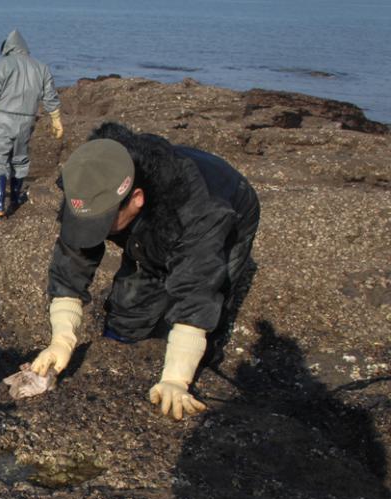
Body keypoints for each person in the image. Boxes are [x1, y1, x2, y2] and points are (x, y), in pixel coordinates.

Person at [30, 122, 260, 420]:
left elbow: (197, 289)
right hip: (149, 213)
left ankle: (191, 366)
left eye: (101, 224)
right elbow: (70, 265)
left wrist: (176, 379)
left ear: (135, 199)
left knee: (206, 299)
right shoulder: (91, 182)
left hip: (230, 204)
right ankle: (127, 335)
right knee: (129, 306)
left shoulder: (200, 210)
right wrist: (61, 339)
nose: (94, 232)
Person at [0, 29, 64, 218]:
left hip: (3, 118)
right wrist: (56, 120)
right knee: (20, 159)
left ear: (7, 48)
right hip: (27, 120)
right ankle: (15, 200)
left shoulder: (1, 64)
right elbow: (50, 97)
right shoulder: (41, 67)